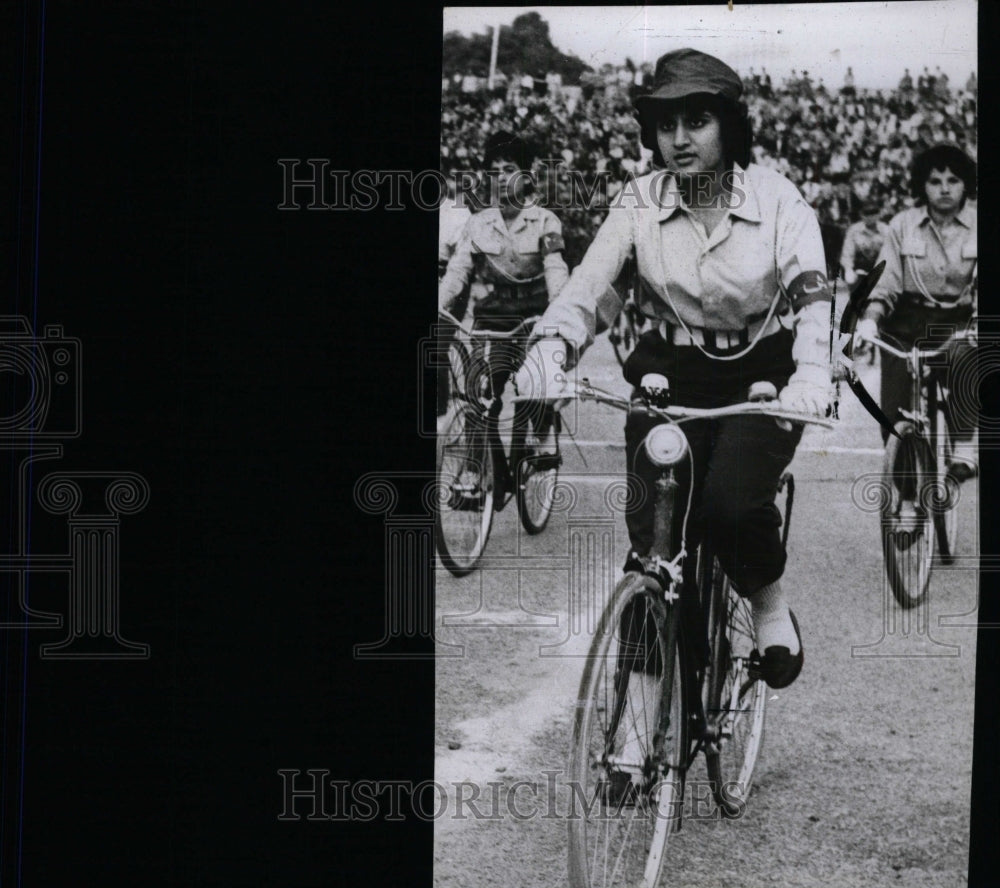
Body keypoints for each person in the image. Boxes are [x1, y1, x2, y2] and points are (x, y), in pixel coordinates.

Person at [515, 48, 836, 691]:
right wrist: (553, 347)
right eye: (667, 125)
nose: (680, 140)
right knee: (654, 546)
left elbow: (812, 299)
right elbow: (591, 289)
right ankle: (637, 730)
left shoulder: (777, 199)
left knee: (729, 507)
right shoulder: (638, 201)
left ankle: (769, 604)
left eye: (697, 121)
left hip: (759, 374)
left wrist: (812, 374)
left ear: (729, 127)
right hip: (668, 372)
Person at [853, 144, 978, 484]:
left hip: (959, 319)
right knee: (893, 414)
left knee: (964, 354)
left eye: (953, 180)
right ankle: (907, 499)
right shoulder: (901, 225)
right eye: (935, 180)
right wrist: (870, 319)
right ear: (922, 186)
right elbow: (886, 281)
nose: (944, 188)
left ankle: (965, 446)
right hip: (905, 322)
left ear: (966, 183)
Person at [438, 130, 569, 415]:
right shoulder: (477, 223)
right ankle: (488, 456)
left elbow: (555, 268)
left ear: (525, 177)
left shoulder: (546, 221)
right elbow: (458, 271)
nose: (501, 178)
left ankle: (542, 442)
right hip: (495, 315)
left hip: (536, 313)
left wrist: (559, 309)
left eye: (509, 170)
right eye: (494, 171)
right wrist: (440, 301)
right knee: (481, 399)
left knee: (538, 394)